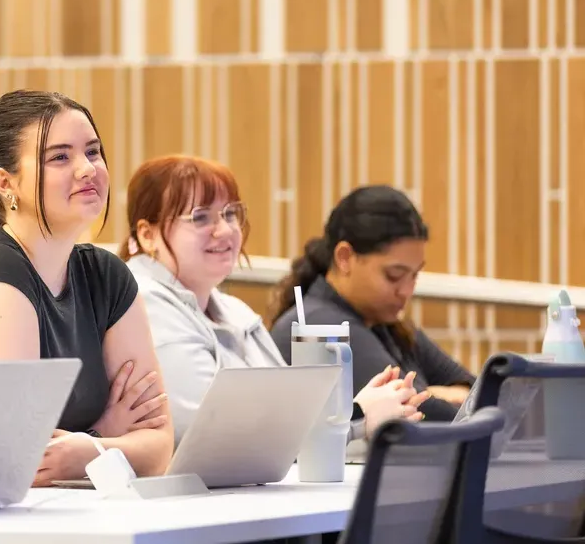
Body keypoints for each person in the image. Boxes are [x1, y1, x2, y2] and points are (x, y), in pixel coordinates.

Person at [0, 89, 174, 491]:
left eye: (93, 152)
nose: (87, 168)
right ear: (6, 183)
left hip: (54, 500)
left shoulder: (109, 276)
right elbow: (10, 459)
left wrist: (86, 450)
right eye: (60, 157)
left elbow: (159, 449)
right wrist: (102, 437)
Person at [120, 155, 431, 445]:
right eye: (201, 218)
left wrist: (360, 422)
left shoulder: (235, 311)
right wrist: (357, 415)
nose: (225, 230)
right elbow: (210, 432)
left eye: (230, 214)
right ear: (148, 235)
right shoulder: (143, 303)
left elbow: (288, 422)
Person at [269, 185, 476, 422]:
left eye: (414, 275)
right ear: (345, 258)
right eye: (394, 275)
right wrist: (436, 394)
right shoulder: (320, 325)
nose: (407, 291)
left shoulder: (386, 323)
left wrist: (429, 394)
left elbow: (481, 395)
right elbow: (432, 416)